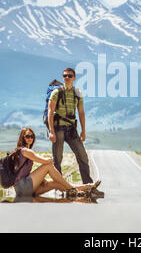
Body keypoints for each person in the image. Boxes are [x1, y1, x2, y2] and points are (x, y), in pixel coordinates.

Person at [47, 68, 104, 198]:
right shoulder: (56, 92)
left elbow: (81, 112)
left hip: (72, 129)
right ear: (63, 78)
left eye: (69, 76)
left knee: (83, 156)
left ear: (74, 78)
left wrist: (83, 131)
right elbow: (50, 112)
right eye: (65, 76)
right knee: (58, 159)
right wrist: (51, 131)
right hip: (58, 128)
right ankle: (60, 189)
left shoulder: (78, 93)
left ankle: (89, 186)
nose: (67, 78)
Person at [10, 127, 100, 198]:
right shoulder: (25, 151)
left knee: (57, 183)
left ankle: (86, 188)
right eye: (27, 136)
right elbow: (45, 161)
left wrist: (41, 179)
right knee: (48, 166)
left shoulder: (23, 152)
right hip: (22, 188)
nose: (30, 138)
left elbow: (22, 173)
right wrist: (49, 160)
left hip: (25, 189)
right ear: (23, 138)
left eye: (32, 136)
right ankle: (72, 189)